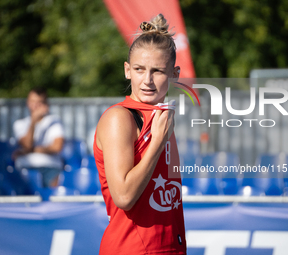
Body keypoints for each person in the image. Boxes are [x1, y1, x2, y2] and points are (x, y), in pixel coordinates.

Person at [93, 14, 186, 254]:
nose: (147, 80)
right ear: (127, 70)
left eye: (157, 71)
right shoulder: (120, 118)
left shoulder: (162, 117)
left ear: (174, 73)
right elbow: (123, 196)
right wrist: (157, 143)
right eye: (139, 69)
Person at [12, 87, 64, 188]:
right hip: (25, 169)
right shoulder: (20, 124)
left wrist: (29, 150)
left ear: (46, 104)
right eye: (33, 101)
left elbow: (57, 147)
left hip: (50, 168)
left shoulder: (54, 121)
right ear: (28, 102)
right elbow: (27, 144)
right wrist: (33, 122)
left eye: (39, 102)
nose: (35, 106)